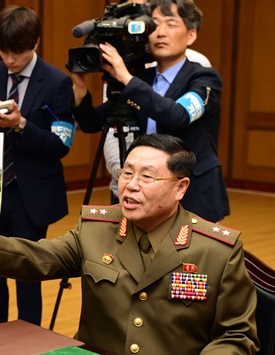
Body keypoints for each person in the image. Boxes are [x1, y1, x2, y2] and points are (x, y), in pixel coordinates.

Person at [0, 134, 259, 355]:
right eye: (126, 173)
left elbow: (236, 338)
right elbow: (40, 258)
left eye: (147, 177)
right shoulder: (97, 228)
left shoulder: (216, 250)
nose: (129, 186)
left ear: (180, 187)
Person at [73, 0, 229, 222]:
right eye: (155, 25)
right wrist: (80, 86)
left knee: (189, 256)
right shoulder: (142, 80)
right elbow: (91, 123)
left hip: (193, 193)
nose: (161, 33)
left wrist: (126, 78)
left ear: (191, 35)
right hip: (148, 192)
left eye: (171, 24)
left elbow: (178, 115)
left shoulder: (205, 78)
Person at [0, 5, 75, 325]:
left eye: (17, 52)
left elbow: (61, 145)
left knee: (27, 273)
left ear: (36, 43)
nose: (10, 60)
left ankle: (28, 342)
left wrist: (21, 124)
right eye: (4, 52)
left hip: (31, 193)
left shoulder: (57, 82)